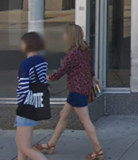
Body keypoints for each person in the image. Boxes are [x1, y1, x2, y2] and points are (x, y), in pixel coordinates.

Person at [34, 24, 104, 160]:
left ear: (71, 36)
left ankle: (98, 150)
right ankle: (51, 144)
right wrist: (93, 77)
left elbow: (61, 71)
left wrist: (48, 77)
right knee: (64, 115)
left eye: (65, 33)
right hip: (81, 88)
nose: (63, 36)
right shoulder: (85, 48)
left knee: (85, 120)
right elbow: (89, 65)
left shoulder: (72, 54)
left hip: (77, 91)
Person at [15, 32, 48, 160]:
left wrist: (22, 105)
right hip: (37, 103)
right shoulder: (43, 61)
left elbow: (24, 88)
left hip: (26, 106)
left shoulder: (26, 64)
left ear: (27, 44)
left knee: (24, 147)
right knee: (21, 142)